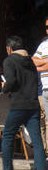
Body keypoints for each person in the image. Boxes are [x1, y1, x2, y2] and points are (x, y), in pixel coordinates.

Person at [0, 35, 46, 170]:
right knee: (37, 140)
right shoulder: (30, 62)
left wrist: (3, 89)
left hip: (18, 105)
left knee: (8, 136)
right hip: (33, 106)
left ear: (9, 48)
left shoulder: (9, 61)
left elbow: (11, 81)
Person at [33, 15, 48, 151]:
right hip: (43, 90)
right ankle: (44, 151)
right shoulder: (43, 45)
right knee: (42, 122)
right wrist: (46, 63)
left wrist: (41, 63)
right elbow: (33, 61)